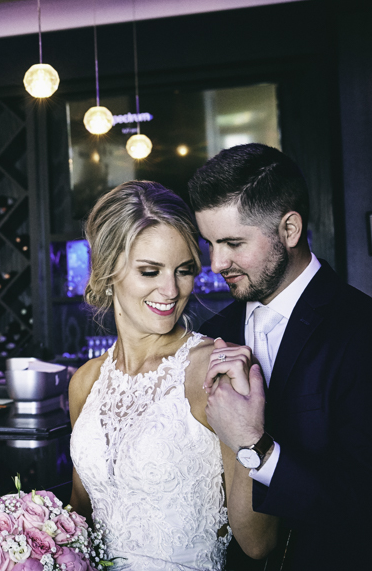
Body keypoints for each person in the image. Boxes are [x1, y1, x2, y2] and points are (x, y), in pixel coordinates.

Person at [69, 180, 277, 570]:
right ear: (106, 271)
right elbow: (80, 516)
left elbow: (258, 543)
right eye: (150, 271)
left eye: (183, 271)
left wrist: (251, 435)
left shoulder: (215, 371)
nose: (171, 290)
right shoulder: (85, 382)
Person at [190, 144, 372, 570]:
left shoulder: (360, 328)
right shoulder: (210, 335)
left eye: (233, 243)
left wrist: (257, 448)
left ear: (289, 229)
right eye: (210, 244)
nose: (216, 263)